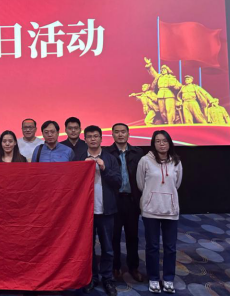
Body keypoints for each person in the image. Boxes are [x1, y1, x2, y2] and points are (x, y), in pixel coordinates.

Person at [137, 130, 183, 294]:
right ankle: (154, 278)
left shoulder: (176, 162)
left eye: (164, 141)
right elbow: (141, 184)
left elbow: (177, 184)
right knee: (152, 246)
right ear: (153, 144)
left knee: (170, 247)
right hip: (151, 211)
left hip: (170, 210)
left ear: (169, 143)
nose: (161, 144)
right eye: (158, 141)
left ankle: (169, 279)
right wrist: (150, 197)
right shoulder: (145, 161)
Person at [77, 126, 121, 297]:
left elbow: (118, 182)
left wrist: (104, 168)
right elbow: (73, 184)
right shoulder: (79, 157)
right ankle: (91, 278)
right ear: (85, 139)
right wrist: (82, 168)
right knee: (87, 249)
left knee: (108, 248)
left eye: (96, 136)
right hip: (85, 213)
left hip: (106, 211)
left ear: (101, 138)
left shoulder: (110, 158)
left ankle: (107, 279)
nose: (93, 139)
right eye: (89, 136)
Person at [106, 123, 144, 282]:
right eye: (117, 132)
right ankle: (115, 266)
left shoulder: (138, 153)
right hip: (114, 200)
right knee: (114, 236)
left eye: (123, 132)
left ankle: (133, 267)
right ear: (112, 134)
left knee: (132, 235)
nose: (120, 135)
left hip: (131, 199)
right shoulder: (107, 153)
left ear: (128, 134)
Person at [145, 58, 182, 124]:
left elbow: (179, 85)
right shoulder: (159, 77)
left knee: (169, 110)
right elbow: (153, 72)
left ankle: (170, 123)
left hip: (169, 95)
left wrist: (175, 86)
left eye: (164, 69)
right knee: (162, 111)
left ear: (167, 70)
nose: (163, 71)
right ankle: (165, 122)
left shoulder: (171, 77)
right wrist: (149, 64)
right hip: (160, 94)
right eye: (162, 70)